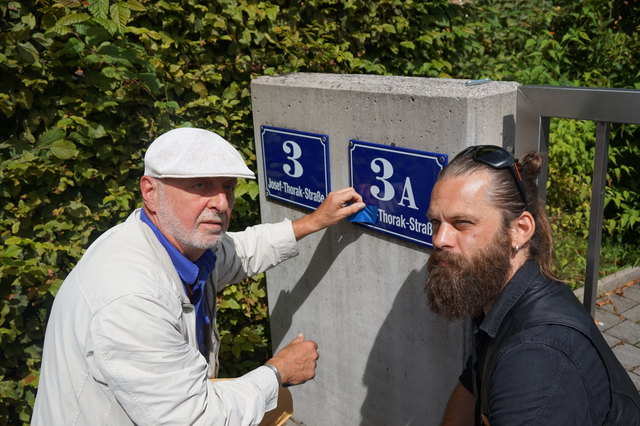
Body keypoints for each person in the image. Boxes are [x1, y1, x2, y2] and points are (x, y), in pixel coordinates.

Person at [32, 127, 366, 425]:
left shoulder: (181, 247)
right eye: (200, 185)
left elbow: (242, 251)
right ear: (150, 191)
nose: (221, 203)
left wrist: (315, 221)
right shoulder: (130, 297)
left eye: (228, 187)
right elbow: (194, 418)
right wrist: (278, 372)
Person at [425, 145, 640, 425]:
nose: (439, 239)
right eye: (435, 222)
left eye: (462, 223)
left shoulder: (536, 360)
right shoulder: (494, 294)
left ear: (520, 230)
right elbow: (471, 384)